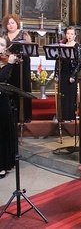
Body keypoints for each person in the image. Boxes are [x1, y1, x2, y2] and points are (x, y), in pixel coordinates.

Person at [2, 14, 33, 123]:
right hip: (8, 65)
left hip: (22, 65)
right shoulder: (4, 36)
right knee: (10, 87)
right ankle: (11, 114)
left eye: (12, 23)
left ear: (17, 23)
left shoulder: (23, 34)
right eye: (8, 23)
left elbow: (29, 50)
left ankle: (25, 115)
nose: (10, 25)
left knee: (22, 86)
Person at [54, 26, 81, 121]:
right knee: (62, 95)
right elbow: (57, 62)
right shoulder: (62, 45)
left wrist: (73, 75)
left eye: (71, 34)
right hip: (63, 72)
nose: (69, 36)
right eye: (68, 33)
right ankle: (61, 116)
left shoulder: (77, 46)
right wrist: (57, 74)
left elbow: (79, 62)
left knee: (70, 96)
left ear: (75, 36)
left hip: (71, 74)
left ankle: (70, 117)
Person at [0, 35, 18, 179]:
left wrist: (11, 64)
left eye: (1, 45)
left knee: (2, 132)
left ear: (6, 47)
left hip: (2, 100)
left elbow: (3, 78)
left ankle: (3, 165)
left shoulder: (7, 62)